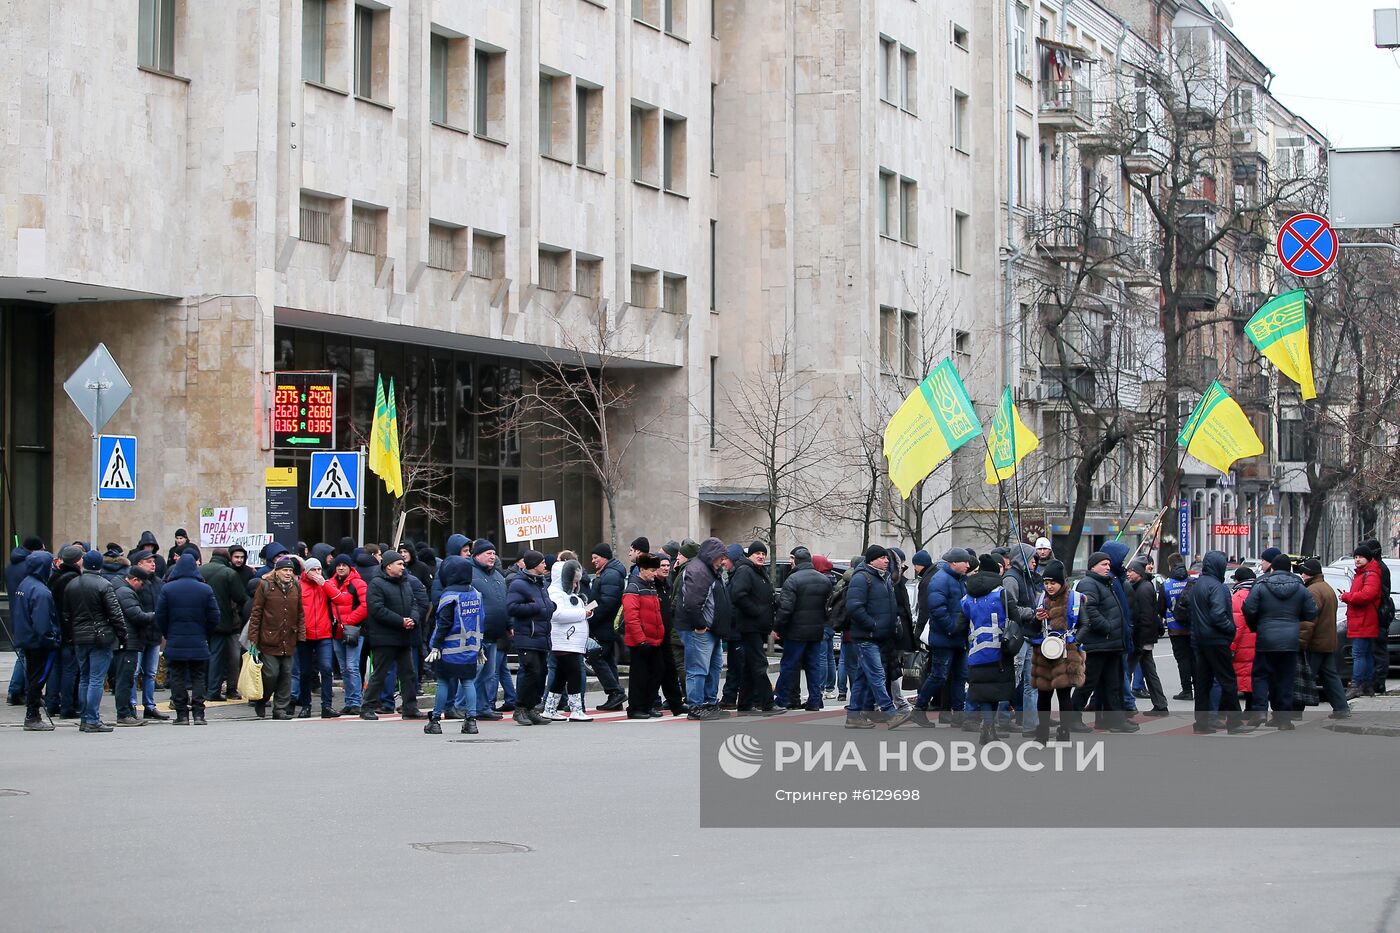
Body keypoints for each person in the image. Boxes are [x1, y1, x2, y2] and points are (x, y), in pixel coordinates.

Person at [1242, 554, 1317, 729]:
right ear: (1290, 569)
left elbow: (1249, 608)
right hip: (1290, 640)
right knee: (1285, 678)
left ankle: (1260, 710)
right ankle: (1283, 719)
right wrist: (1295, 619)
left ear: (1272, 568)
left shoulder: (1261, 585)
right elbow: (1312, 612)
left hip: (1266, 638)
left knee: (1261, 675)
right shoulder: (1300, 588)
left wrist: (1257, 626)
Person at [844, 546, 913, 730]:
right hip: (867, 636)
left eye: (886, 558)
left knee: (862, 678)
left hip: (880, 636)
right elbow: (854, 607)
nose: (886, 561)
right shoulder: (862, 578)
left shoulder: (884, 578)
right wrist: (873, 625)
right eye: (882, 558)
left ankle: (853, 716)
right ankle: (890, 713)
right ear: (871, 560)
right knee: (877, 675)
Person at [1188, 551, 1253, 734]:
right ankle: (1235, 723)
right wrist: (1230, 629)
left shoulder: (1198, 584)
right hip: (1216, 639)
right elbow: (1218, 615)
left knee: (1203, 683)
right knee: (1228, 681)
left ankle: (1201, 724)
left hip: (1200, 639)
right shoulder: (1218, 587)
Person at [1071, 551, 1136, 733]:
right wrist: (1107, 627)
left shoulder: (1105, 583)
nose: (1108, 567)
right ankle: (1072, 718)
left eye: (1108, 564)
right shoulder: (1088, 584)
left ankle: (1116, 720)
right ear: (1093, 566)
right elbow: (1089, 611)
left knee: (1112, 684)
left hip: (1110, 644)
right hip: (1097, 644)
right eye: (1103, 564)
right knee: (1087, 683)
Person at [156, 553, 220, 725]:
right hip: (199, 640)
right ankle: (199, 714)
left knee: (177, 677)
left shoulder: (168, 588)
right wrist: (205, 633)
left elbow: (161, 616)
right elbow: (214, 616)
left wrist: (168, 633)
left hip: (175, 639)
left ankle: (181, 714)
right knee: (198, 677)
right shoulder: (205, 589)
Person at [67, 550, 126, 733]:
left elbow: (66, 614)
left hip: (79, 637)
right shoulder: (104, 585)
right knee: (96, 679)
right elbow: (115, 614)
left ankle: (86, 718)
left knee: (84, 678)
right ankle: (92, 718)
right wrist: (122, 634)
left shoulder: (72, 584)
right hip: (100, 637)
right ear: (100, 565)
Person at [961, 554, 1018, 745]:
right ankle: (990, 727)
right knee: (996, 690)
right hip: (1000, 652)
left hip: (976, 652)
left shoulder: (967, 597)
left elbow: (959, 625)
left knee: (983, 691)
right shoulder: (1002, 594)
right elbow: (1016, 619)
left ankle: (987, 727)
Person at [424, 556, 483, 735]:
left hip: (449, 648)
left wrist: (435, 645)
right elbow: (481, 621)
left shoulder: (449, 596)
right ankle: (471, 721)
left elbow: (444, 624)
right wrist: (481, 647)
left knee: (443, 682)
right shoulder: (476, 594)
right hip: (471, 648)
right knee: (467, 682)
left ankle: (435, 721)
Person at [1028, 560, 1086, 742]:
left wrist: (1075, 641)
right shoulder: (1040, 599)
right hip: (1043, 654)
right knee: (1043, 695)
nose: (1049, 587)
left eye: (1053, 583)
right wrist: (1037, 619)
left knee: (1064, 696)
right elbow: (1030, 629)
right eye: (1046, 583)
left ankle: (1064, 732)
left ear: (1062, 582)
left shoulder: (1075, 599)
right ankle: (1042, 732)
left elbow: (1085, 624)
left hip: (1066, 654)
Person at [361, 552, 423, 720]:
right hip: (385, 637)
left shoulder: (405, 583)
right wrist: (400, 621)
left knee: (408, 674)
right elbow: (377, 609)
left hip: (404, 636)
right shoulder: (376, 584)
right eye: (399, 564)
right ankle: (367, 706)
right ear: (388, 566)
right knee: (380, 674)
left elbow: (414, 604)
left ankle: (410, 707)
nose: (403, 567)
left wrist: (413, 619)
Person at [914, 548, 972, 723]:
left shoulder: (960, 580)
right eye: (965, 562)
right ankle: (919, 708)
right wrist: (952, 628)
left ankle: (958, 714)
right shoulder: (940, 580)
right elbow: (937, 610)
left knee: (960, 676)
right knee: (939, 676)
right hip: (945, 637)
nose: (968, 565)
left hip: (958, 637)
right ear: (954, 563)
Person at [678, 538, 733, 719]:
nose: (723, 561)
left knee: (713, 667)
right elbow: (692, 603)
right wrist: (700, 625)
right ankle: (696, 706)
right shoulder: (699, 570)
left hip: (710, 629)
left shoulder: (707, 569)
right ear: (712, 555)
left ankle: (709, 703)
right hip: (700, 630)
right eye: (721, 557)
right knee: (698, 668)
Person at [774, 546, 833, 712]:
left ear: (797, 561)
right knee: (813, 666)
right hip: (816, 631)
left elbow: (786, 608)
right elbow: (829, 606)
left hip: (795, 632)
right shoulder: (824, 580)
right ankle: (815, 700)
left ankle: (782, 699)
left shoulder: (792, 580)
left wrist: (778, 627)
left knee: (789, 665)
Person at [247, 556, 305, 719]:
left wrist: (301, 634)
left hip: (289, 638)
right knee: (271, 674)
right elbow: (256, 612)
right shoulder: (265, 585)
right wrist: (253, 637)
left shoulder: (295, 586)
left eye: (290, 571)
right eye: (285, 570)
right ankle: (262, 699)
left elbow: (300, 612)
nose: (288, 573)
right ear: (277, 571)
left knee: (286, 675)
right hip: (269, 637)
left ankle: (279, 709)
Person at [729, 540, 778, 714]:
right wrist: (756, 611)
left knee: (750, 667)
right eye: (758, 553)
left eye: (763, 554)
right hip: (749, 626)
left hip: (758, 626)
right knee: (759, 664)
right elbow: (738, 595)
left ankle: (744, 703)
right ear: (750, 555)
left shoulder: (759, 572)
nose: (761, 556)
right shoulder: (745, 571)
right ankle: (767, 703)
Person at [506, 550, 555, 725]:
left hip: (542, 635)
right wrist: (535, 608)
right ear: (534, 565)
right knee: (531, 671)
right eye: (542, 563)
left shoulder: (540, 583)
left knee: (541, 672)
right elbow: (512, 607)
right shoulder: (518, 583)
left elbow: (544, 604)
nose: (545, 565)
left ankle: (532, 707)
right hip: (528, 635)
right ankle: (520, 708)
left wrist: (551, 606)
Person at [544, 557, 593, 722]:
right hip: (564, 641)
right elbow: (556, 614)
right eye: (573, 581)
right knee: (574, 674)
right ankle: (576, 709)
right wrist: (582, 613)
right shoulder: (556, 593)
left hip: (569, 641)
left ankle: (550, 708)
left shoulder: (564, 594)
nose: (574, 585)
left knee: (561, 675)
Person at [13, 550, 58, 731]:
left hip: (27, 638)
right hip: (39, 643)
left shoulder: (24, 584)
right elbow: (42, 622)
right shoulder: (41, 591)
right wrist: (51, 640)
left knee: (32, 677)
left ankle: (33, 714)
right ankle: (32, 716)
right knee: (37, 679)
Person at [1298, 558, 1349, 718]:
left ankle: (1294, 712)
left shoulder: (1313, 591)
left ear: (1310, 574)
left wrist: (1301, 642)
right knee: (1330, 676)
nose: (1302, 575)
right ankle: (1342, 708)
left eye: (1304, 572)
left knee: (1305, 677)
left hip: (1316, 642)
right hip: (1328, 640)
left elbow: (1309, 620)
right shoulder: (1326, 588)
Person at [468, 539, 511, 720]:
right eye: (488, 553)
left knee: (488, 674)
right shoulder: (470, 574)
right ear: (477, 555)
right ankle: (468, 708)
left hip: (495, 634)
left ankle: (484, 707)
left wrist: (509, 625)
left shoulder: (499, 577)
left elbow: (504, 603)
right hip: (477, 633)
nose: (492, 556)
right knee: (476, 674)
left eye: (494, 553)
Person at [622, 553, 668, 719]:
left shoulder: (650, 586)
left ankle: (648, 705)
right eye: (652, 570)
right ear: (642, 570)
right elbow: (631, 617)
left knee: (657, 672)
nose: (655, 573)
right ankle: (635, 708)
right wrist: (640, 639)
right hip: (640, 641)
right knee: (639, 676)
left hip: (654, 639)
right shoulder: (633, 588)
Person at [200, 547, 248, 702]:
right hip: (224, 622)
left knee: (207, 656)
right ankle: (213, 690)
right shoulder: (229, 573)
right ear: (227, 558)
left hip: (203, 621)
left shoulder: (200, 570)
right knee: (219, 657)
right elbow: (240, 597)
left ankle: (207, 688)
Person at [295, 556, 341, 718]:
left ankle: (326, 706)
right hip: (305, 635)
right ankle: (306, 705)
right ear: (306, 572)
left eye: (319, 569)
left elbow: (340, 599)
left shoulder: (325, 584)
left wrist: (324, 583)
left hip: (324, 634)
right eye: (313, 570)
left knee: (327, 669)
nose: (316, 573)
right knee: (305, 672)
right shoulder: (299, 586)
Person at [112, 565, 157, 727]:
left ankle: (128, 712)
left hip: (126, 641)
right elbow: (136, 616)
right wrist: (154, 615)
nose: (143, 587)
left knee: (127, 678)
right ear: (134, 580)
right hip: (128, 641)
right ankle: (124, 714)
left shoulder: (122, 590)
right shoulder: (126, 593)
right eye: (142, 583)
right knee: (125, 679)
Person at [44, 546, 85, 719]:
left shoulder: (55, 577)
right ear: (76, 561)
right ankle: (67, 706)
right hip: (69, 631)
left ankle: (52, 704)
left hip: (57, 629)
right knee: (70, 670)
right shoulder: (74, 580)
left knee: (57, 667)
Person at [325, 554, 368, 715]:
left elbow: (365, 606)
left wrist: (348, 620)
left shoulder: (358, 583)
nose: (341, 567)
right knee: (344, 669)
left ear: (350, 567)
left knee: (352, 667)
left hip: (353, 631)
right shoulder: (331, 583)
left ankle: (356, 701)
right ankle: (349, 701)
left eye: (344, 565)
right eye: (338, 565)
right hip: (337, 632)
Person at [588, 543, 629, 711]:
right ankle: (615, 696)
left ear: (604, 557)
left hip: (604, 625)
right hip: (607, 625)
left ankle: (615, 692)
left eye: (595, 558)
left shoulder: (610, 574)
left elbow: (607, 602)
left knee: (596, 657)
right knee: (607, 659)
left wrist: (590, 617)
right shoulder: (609, 572)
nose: (593, 561)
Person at [1341, 545, 1384, 699]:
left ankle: (1356, 684)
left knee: (1359, 654)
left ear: (1368, 558)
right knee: (1364, 654)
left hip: (1365, 620)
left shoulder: (1370, 575)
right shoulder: (1362, 574)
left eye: (1360, 557)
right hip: (1362, 619)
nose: (1357, 559)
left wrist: (1347, 597)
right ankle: (1367, 685)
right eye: (1355, 557)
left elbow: (1367, 595)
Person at [1127, 558, 1170, 715]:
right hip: (1144, 638)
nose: (1128, 573)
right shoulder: (1142, 586)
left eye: (1131, 571)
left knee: (1127, 671)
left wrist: (1141, 641)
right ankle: (1160, 704)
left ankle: (1127, 705)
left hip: (1142, 639)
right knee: (1149, 672)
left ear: (1138, 572)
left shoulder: (1144, 589)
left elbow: (1146, 617)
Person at [1162, 554, 1194, 700]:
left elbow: (1160, 608)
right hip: (1193, 627)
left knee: (1182, 660)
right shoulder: (1193, 581)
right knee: (1195, 658)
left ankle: (1187, 690)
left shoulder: (1166, 584)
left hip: (1175, 628)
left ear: (1170, 566)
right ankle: (1198, 687)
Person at [1230, 567, 1259, 717]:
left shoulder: (1239, 596)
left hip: (1243, 644)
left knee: (1243, 678)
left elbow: (1237, 624)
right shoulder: (1260, 592)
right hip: (1258, 642)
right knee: (1253, 678)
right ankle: (1253, 709)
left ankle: (1247, 711)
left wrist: (1232, 646)